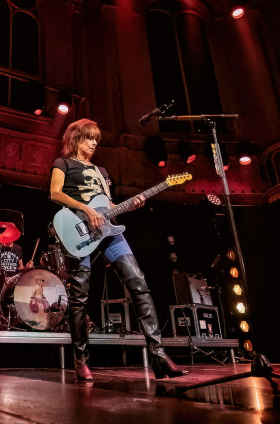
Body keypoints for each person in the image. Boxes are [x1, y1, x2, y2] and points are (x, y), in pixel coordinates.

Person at [49, 118, 186, 381]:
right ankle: (81, 360)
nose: (93, 144)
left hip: (109, 231)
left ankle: (159, 356)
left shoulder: (102, 171)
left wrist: (130, 205)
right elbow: (55, 193)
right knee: (79, 297)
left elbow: (108, 204)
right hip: (78, 229)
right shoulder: (63, 164)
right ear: (76, 138)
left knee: (139, 283)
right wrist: (85, 209)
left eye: (96, 140)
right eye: (89, 138)